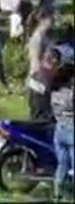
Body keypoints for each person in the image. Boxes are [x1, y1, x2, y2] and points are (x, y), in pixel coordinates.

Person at [52, 62, 75, 198]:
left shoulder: (54, 92)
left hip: (59, 130)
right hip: (72, 131)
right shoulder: (71, 94)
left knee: (62, 165)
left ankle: (57, 194)